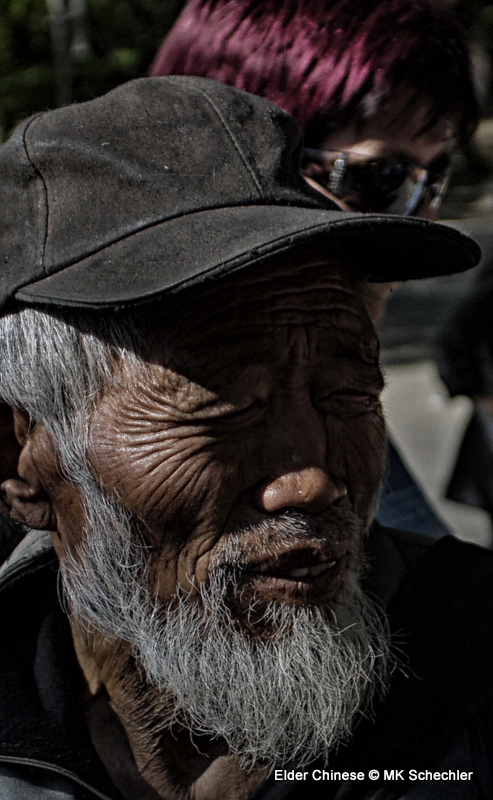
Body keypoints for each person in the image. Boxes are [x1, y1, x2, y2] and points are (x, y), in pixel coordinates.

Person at [0, 76, 488, 800]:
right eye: (224, 409)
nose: (313, 480)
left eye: (347, 393)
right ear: (14, 460)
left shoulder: (471, 671)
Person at [148, 0, 481, 538]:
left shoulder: (337, 406)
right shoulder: (74, 418)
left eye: (432, 179)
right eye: (383, 178)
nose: (425, 218)